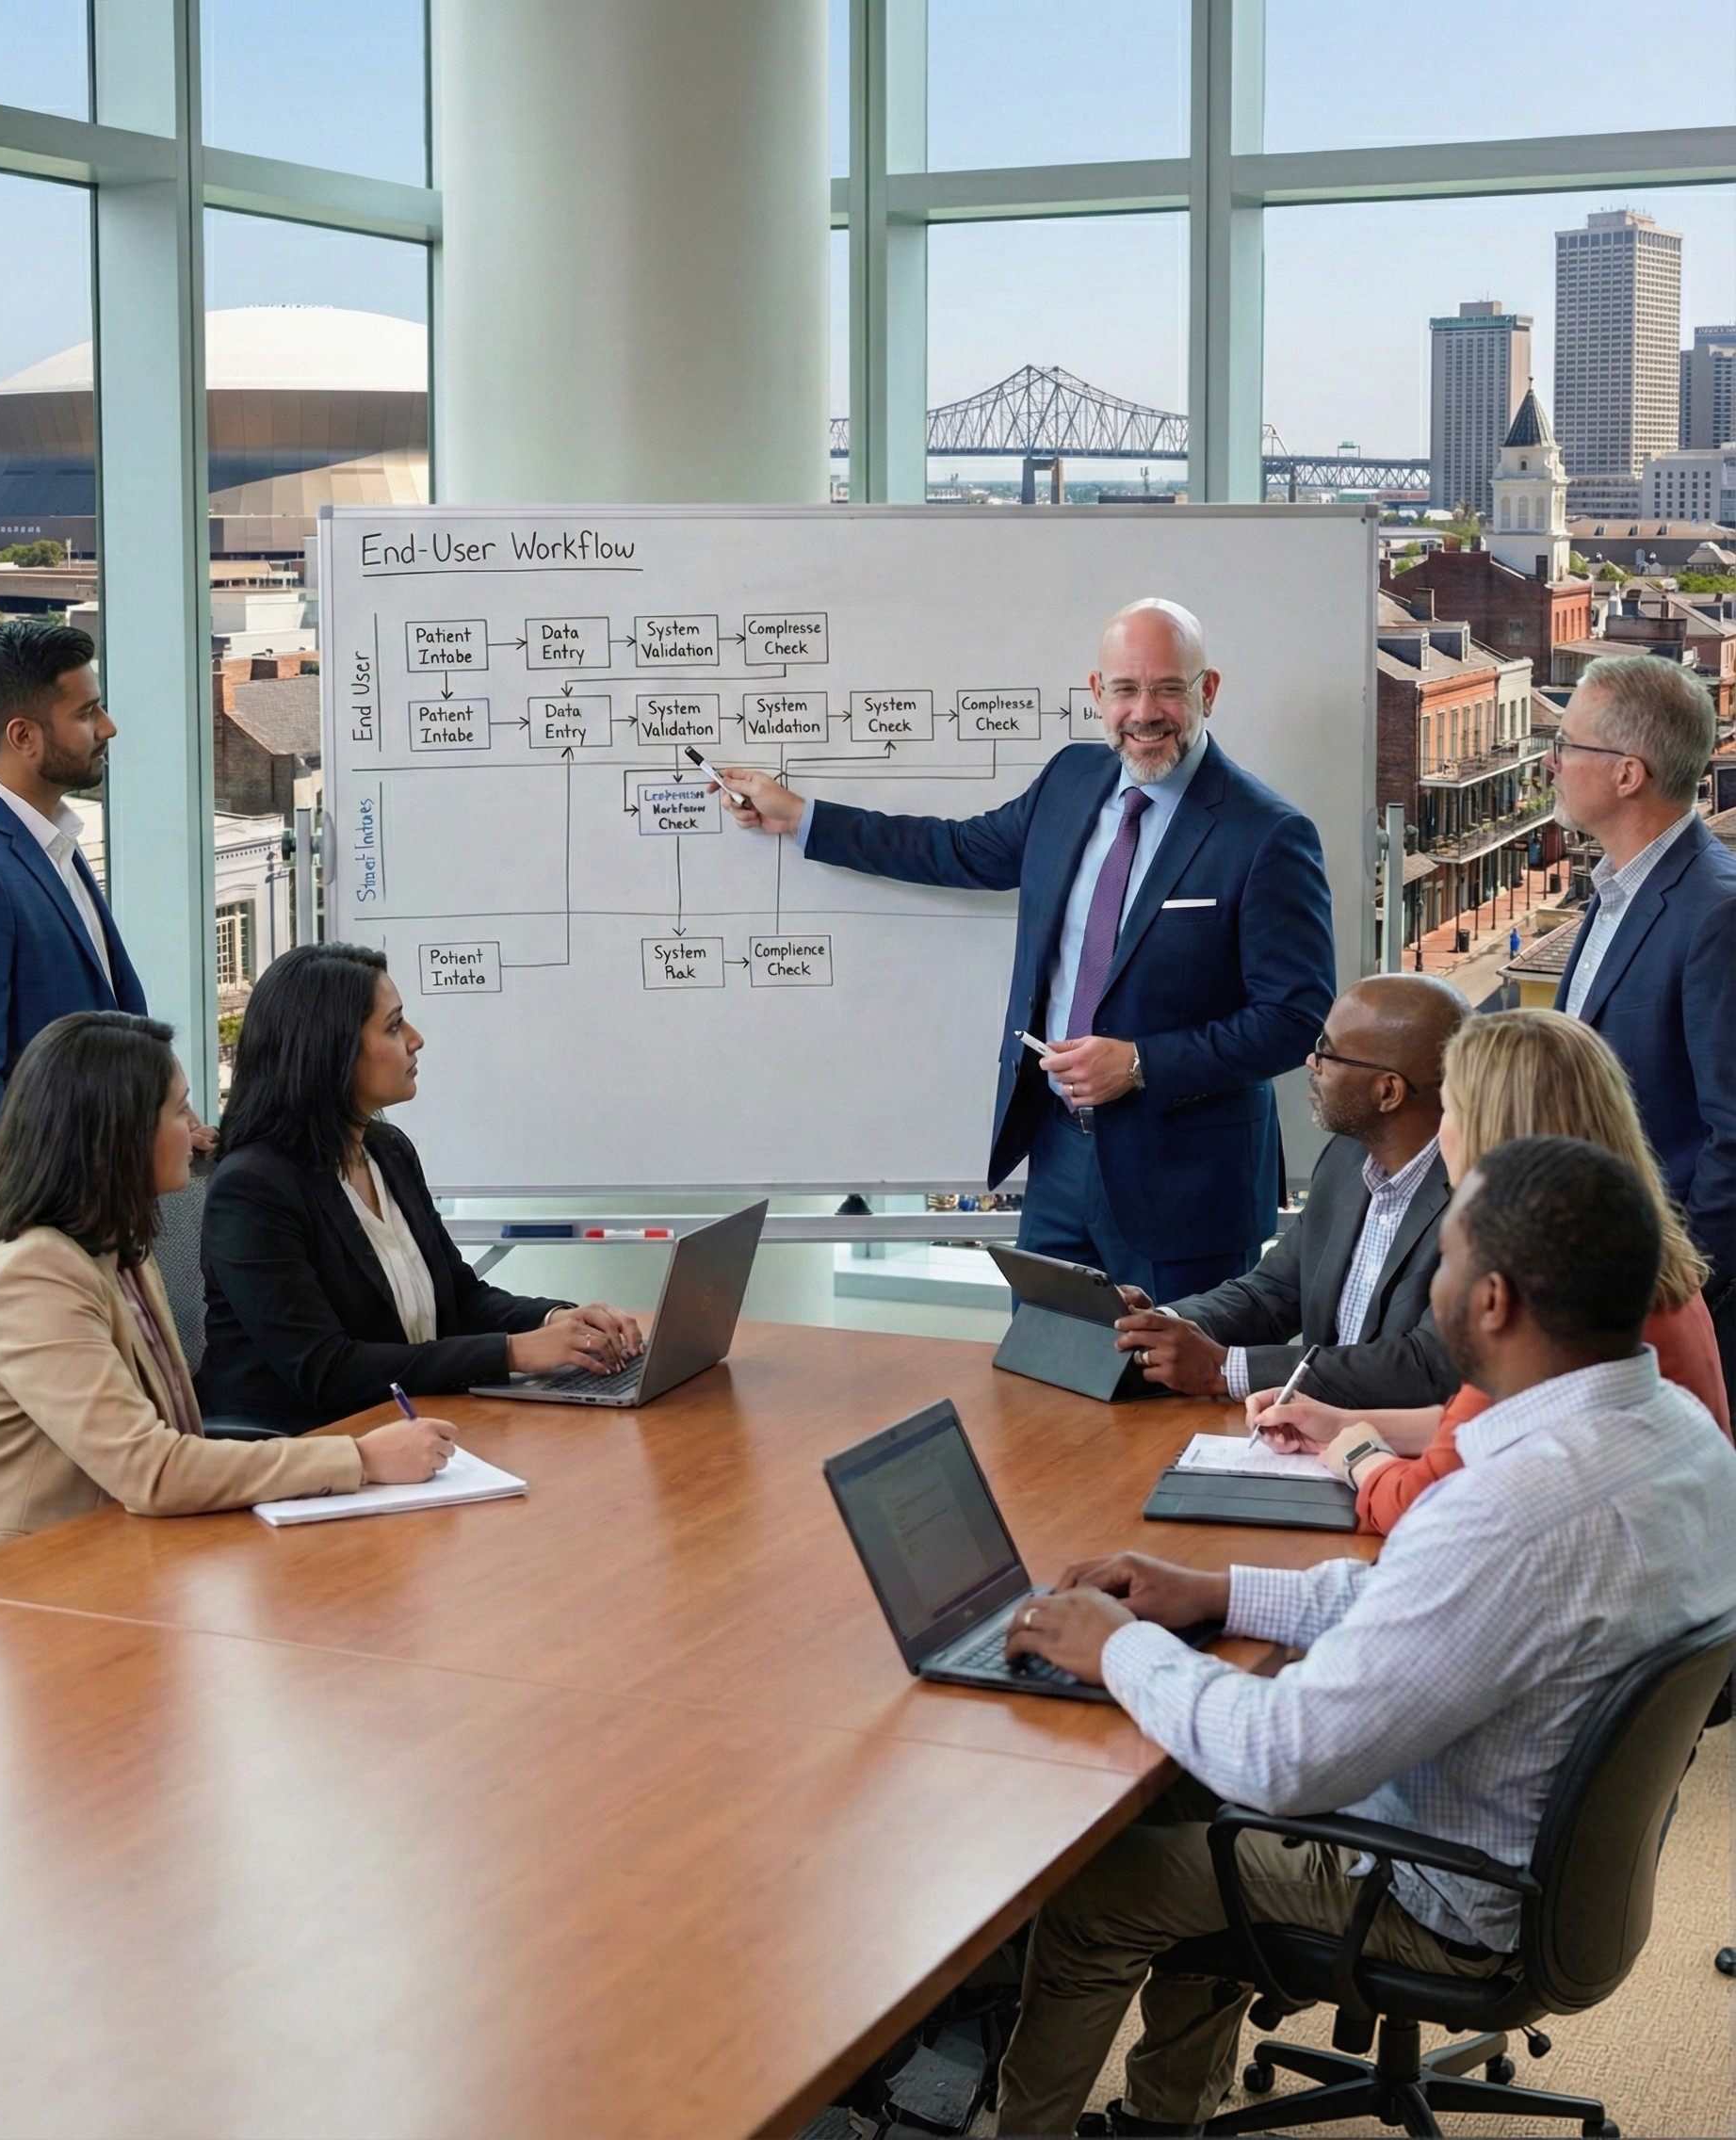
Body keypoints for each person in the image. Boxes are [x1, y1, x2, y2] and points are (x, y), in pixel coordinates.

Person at [994, 1137, 1736, 2135]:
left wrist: (1112, 1645)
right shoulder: (1681, 1438)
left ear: (1492, 1303)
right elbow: (1440, 1613)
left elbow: (1280, 1760)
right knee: (1180, 1789)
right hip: (1544, 1862)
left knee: (1096, 1892)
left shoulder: (1505, 1510)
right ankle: (1164, 2112)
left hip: (1441, 1894)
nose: (1432, 1288)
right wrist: (1217, 1592)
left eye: (1447, 1263)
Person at [714, 600, 1336, 1299]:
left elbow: (1296, 1018)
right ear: (1098, 693)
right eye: (1126, 689)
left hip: (1188, 1186)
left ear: (1208, 691)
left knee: (1167, 1400)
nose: (1145, 712)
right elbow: (953, 849)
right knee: (1040, 1379)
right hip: (1058, 1157)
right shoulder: (1070, 782)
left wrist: (1138, 1064)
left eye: (1169, 688)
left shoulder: (1267, 833)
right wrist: (802, 817)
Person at [0, 1012, 452, 1545]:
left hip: (133, 1548)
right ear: (121, 1133)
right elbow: (152, 1470)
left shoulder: (121, 1248)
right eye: (179, 1107)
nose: (196, 1125)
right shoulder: (35, 1274)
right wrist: (360, 1457)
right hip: (48, 1582)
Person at [1255, 1011, 1729, 1530]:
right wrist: (1344, 1422)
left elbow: (1421, 1504)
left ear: (1491, 1130)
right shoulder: (1627, 1253)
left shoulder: (1543, 1290)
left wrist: (1356, 1454)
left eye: (1451, 1109)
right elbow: (1482, 1423)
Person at [197, 944, 642, 1432]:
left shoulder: (387, 1151)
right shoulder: (251, 1190)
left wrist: (556, 1321)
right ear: (332, 1048)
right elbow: (327, 1370)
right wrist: (514, 1351)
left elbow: (460, 1299)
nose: (416, 1039)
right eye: (393, 1026)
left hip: (414, 1428)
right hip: (310, 1449)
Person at [1111, 974, 1466, 1409]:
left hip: (1400, 1454)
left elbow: (1425, 1367)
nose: (1311, 1062)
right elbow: (1270, 1293)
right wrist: (1160, 1325)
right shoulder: (1346, 1159)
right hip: (1308, 1435)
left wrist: (1224, 1369)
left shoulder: (1484, 1202)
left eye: (1328, 1052)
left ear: (1387, 1091)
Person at [1549, 654, 1736, 1410]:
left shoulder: (1716, 914)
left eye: (1567, 745)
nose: (1553, 762)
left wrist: (1678, 1289)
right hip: (1600, 1293)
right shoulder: (1615, 892)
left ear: (1629, 774)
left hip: (1666, 1310)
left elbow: (1732, 1136)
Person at [0, 619, 146, 1125]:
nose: (108, 726)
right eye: (86, 713)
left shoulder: (50, 839)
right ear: (23, 736)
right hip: (47, 1201)